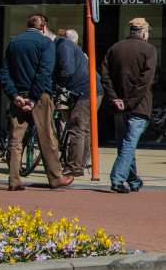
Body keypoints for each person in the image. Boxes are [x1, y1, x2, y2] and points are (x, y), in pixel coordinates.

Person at [0, 14, 69, 190]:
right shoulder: (46, 43)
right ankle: (55, 178)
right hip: (38, 97)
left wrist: (14, 95)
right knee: (46, 137)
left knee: (15, 140)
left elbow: (5, 72)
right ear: (44, 28)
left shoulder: (14, 43)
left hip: (18, 97)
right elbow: (44, 72)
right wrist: (32, 98)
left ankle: (14, 180)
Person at [101, 17, 158, 193]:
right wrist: (129, 103)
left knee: (125, 144)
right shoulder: (149, 50)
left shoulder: (114, 48)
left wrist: (114, 99)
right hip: (138, 106)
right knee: (129, 144)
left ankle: (133, 180)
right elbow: (145, 81)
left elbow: (105, 77)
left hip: (119, 106)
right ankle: (117, 179)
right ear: (144, 32)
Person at [54, 28, 100, 177]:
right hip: (92, 89)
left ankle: (74, 166)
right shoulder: (69, 47)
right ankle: (78, 165)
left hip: (84, 90)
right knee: (84, 129)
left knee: (77, 129)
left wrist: (57, 85)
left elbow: (67, 71)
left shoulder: (63, 46)